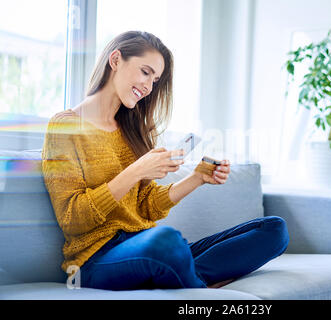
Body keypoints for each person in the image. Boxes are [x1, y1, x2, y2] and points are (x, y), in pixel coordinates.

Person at [41, 31, 289, 291]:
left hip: (145, 246)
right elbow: (73, 219)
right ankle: (199, 290)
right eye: (145, 72)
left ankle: (183, 275)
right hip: (96, 261)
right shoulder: (66, 126)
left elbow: (146, 207)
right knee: (166, 241)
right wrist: (136, 171)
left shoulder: (131, 130)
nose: (149, 87)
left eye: (155, 80)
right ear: (115, 60)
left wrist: (196, 178)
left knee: (273, 230)